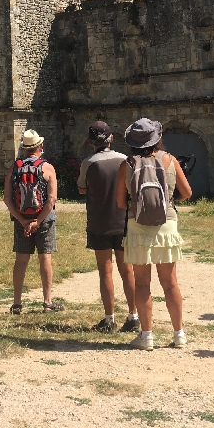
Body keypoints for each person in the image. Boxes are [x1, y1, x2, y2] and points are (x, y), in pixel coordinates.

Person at [116, 118, 192, 350]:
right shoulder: (170, 160)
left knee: (142, 283)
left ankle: (146, 335)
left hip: (137, 225)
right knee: (170, 282)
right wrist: (169, 201)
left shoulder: (126, 164)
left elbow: (120, 202)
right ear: (157, 139)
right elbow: (187, 192)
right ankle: (178, 333)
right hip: (166, 224)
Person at [78, 121, 138, 333]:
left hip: (99, 222)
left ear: (90, 141)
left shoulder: (88, 162)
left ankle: (109, 318)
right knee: (127, 270)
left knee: (106, 271)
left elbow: (82, 189)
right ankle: (133, 315)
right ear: (112, 138)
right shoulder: (125, 160)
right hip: (123, 222)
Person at [3, 129, 63, 313]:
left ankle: (17, 303)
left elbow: (7, 198)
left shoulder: (14, 168)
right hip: (44, 220)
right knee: (45, 258)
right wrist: (38, 221)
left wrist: (22, 220)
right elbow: (52, 199)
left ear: (24, 148)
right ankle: (47, 302)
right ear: (40, 147)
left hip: (22, 219)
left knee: (21, 260)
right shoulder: (47, 168)